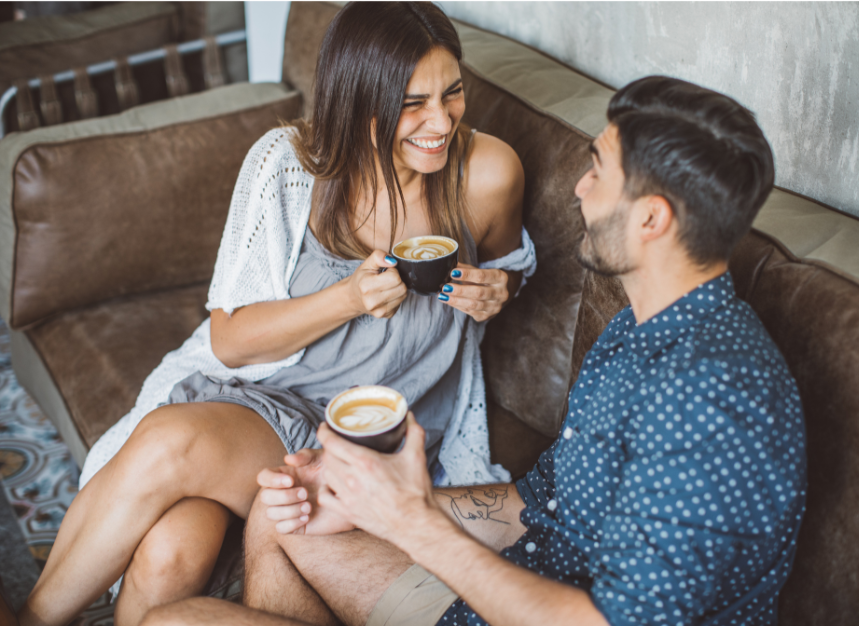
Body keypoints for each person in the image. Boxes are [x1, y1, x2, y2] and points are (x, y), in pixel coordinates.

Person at [141, 75, 808, 626]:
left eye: (598, 171)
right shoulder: (641, 330)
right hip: (506, 589)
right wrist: (387, 498)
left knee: (170, 624)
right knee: (294, 510)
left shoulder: (713, 394)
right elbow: (544, 504)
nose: (578, 188)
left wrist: (409, 524)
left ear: (651, 218)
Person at [17, 3, 535, 626]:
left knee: (169, 549)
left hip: (372, 435)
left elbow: (509, 271)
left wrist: (497, 289)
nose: (440, 121)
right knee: (167, 484)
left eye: (452, 93)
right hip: (269, 403)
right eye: (411, 103)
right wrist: (346, 299)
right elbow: (230, 341)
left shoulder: (488, 173)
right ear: (359, 101)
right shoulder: (287, 166)